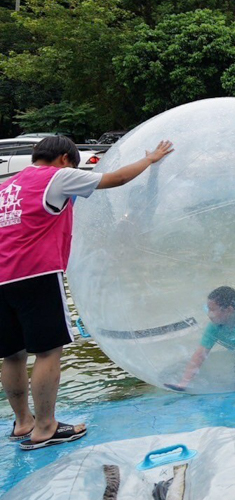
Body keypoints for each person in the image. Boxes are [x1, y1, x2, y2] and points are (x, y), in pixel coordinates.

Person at [0, 135, 173, 450]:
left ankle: (23, 423)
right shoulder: (58, 175)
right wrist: (151, 160)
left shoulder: (7, 187)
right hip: (34, 274)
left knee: (12, 354)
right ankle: (45, 428)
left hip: (2, 278)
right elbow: (115, 179)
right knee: (48, 351)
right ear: (65, 158)